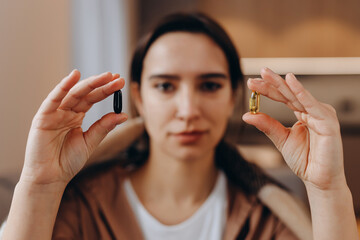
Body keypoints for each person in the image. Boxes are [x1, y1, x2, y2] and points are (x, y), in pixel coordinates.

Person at [1, 12, 359, 240]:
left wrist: (328, 190)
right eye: (165, 86)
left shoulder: (265, 215)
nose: (188, 110)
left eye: (209, 85)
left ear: (235, 95)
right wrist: (40, 184)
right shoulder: (80, 206)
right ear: (139, 97)